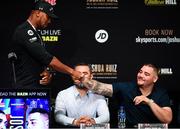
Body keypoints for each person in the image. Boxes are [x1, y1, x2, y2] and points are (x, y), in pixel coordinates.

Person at [11, 1, 82, 88]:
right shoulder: (24, 31)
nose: (49, 21)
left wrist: (46, 72)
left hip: (35, 87)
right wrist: (73, 72)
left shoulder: (35, 32)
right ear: (38, 13)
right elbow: (47, 59)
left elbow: (37, 59)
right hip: (25, 89)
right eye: (48, 17)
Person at [81, 63, 172, 127]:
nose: (140, 75)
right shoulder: (126, 88)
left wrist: (149, 102)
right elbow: (99, 87)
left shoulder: (161, 93)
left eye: (146, 74)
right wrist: (80, 77)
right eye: (140, 72)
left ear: (155, 79)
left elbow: (167, 119)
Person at [54, 63, 110, 127]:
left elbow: (106, 116)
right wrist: (75, 122)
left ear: (91, 76)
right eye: (78, 73)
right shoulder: (63, 94)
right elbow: (58, 116)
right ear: (73, 76)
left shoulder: (98, 94)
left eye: (85, 73)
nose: (81, 76)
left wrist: (92, 121)